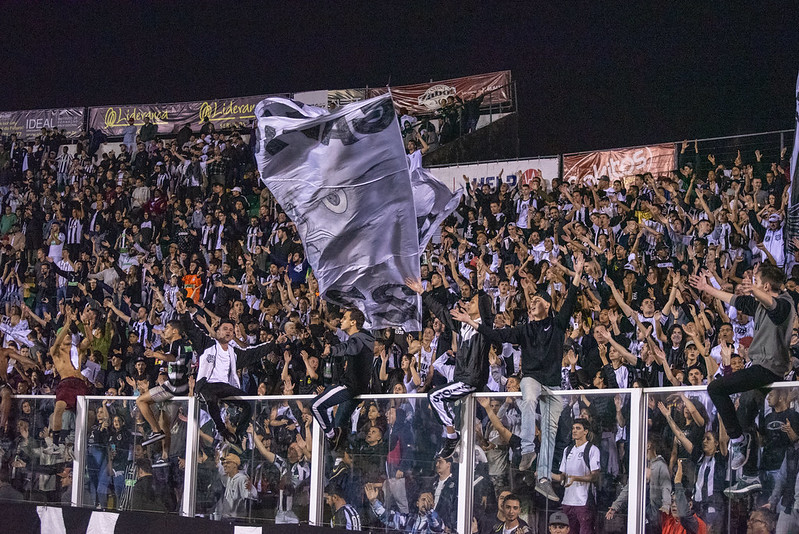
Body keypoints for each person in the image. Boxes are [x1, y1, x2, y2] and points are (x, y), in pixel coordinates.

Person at [462, 253, 585, 500]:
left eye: (537, 300)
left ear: (547, 306)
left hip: (553, 385)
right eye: (531, 301)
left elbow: (570, 300)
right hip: (532, 378)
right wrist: (472, 322)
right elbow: (498, 336)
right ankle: (527, 449)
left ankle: (543, 478)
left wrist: (578, 273)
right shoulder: (524, 329)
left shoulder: (558, 324)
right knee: (528, 398)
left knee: (550, 433)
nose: (532, 303)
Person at [690, 263, 795, 483]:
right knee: (745, 414)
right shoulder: (758, 304)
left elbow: (774, 308)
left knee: (716, 388)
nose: (752, 285)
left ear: (766, 286)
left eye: (756, 281)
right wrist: (707, 288)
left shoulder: (785, 303)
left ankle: (736, 441)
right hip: (759, 368)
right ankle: (751, 476)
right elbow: (732, 299)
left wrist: (754, 290)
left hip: (770, 369)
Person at [407, 278, 493, 459]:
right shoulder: (462, 324)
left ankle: (452, 435)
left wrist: (480, 292)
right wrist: (422, 293)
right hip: (462, 377)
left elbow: (486, 316)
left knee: (434, 395)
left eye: (473, 302)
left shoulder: (485, 326)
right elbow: (441, 312)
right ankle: (452, 433)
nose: (468, 303)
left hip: (471, 379)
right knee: (435, 397)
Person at [193, 316, 276, 443]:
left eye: (231, 330)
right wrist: (183, 314)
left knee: (248, 403)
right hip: (206, 385)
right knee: (211, 398)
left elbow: (254, 352)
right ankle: (222, 430)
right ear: (218, 332)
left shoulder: (234, 353)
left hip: (224, 387)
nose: (228, 331)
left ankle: (238, 435)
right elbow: (192, 330)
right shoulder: (207, 344)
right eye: (225, 329)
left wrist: (274, 344)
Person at [310, 308, 374, 450]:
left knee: (315, 406)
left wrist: (331, 350)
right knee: (339, 423)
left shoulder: (358, 338)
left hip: (349, 388)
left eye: (344, 318)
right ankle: (339, 449)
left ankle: (332, 436)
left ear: (353, 322)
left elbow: (348, 347)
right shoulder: (364, 338)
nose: (341, 320)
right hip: (355, 389)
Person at [138, 316, 193, 447]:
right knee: (165, 421)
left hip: (173, 388)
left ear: (175, 331)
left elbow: (172, 357)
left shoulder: (176, 344)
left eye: (167, 328)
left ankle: (156, 431)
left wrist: (155, 354)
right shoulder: (186, 345)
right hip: (183, 388)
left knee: (140, 401)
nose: (165, 330)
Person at [48, 307, 92, 453]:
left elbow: (89, 340)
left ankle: (76, 444)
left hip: (79, 383)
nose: (67, 335)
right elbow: (55, 344)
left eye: (69, 334)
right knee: (58, 409)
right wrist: (67, 323)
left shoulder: (76, 350)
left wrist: (85, 324)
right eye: (64, 334)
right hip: (66, 383)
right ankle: (56, 443)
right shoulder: (55, 352)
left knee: (84, 415)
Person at [551, 418, 600, 534]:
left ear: (585, 431)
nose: (574, 431)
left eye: (578, 428)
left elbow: (595, 477)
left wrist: (575, 478)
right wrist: (546, 474)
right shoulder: (567, 450)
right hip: (567, 501)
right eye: (573, 428)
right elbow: (562, 477)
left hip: (584, 501)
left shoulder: (592, 450)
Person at [365, 482, 444, 533]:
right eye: (423, 500)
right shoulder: (408, 520)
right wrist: (373, 501)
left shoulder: (437, 521)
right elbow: (388, 516)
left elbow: (436, 528)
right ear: (417, 503)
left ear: (433, 505)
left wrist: (429, 511)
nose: (426, 503)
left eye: (429, 500)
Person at [214, 453, 257, 519]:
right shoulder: (228, 478)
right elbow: (220, 471)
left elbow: (249, 498)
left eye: (228, 463)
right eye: (223, 463)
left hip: (237, 519)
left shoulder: (242, 479)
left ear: (235, 465)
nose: (224, 465)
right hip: (226, 518)